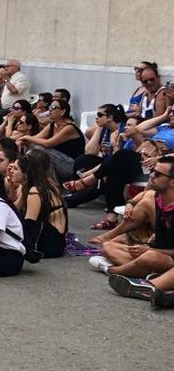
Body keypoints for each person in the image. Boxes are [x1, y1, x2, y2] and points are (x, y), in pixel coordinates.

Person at [97, 157, 174, 299]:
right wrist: (130, 204)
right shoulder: (158, 196)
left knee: (150, 257)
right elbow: (143, 195)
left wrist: (150, 250)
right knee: (108, 247)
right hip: (156, 252)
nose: (151, 176)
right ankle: (148, 274)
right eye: (152, 171)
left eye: (157, 174)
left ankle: (118, 273)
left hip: (166, 256)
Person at [11, 152, 68, 260]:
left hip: (48, 244)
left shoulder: (35, 191)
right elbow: (13, 210)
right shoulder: (45, 183)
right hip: (57, 240)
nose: (11, 171)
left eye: (15, 169)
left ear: (26, 173)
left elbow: (30, 225)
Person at [17, 99, 84, 181]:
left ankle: (52, 186)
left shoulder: (69, 128)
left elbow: (48, 144)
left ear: (62, 111)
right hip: (57, 162)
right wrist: (22, 141)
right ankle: (32, 179)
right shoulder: (52, 125)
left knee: (38, 149)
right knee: (31, 146)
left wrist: (27, 137)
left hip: (70, 166)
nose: (50, 110)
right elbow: (36, 138)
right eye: (49, 107)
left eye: (53, 107)